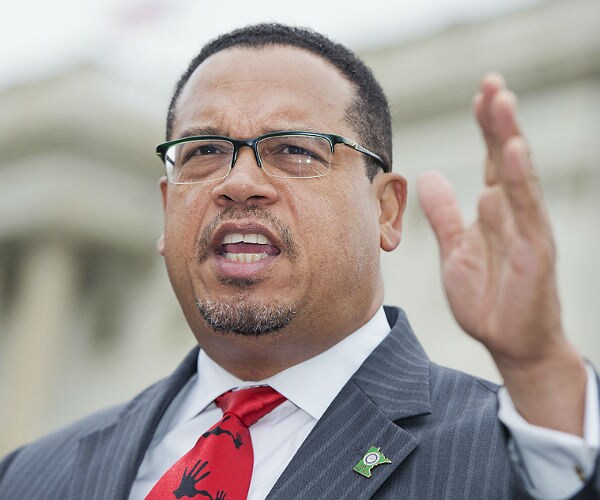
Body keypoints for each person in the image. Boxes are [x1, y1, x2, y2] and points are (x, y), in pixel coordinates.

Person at [0, 23, 598, 500]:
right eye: (204, 151)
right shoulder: (32, 476)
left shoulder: (525, 452)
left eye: (293, 150)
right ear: (165, 209)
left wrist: (542, 369)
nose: (238, 183)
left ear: (387, 211)